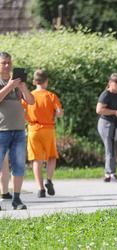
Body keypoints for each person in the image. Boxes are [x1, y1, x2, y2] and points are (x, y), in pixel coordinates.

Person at [0, 51, 35, 209]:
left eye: (9, 63)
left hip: (19, 130)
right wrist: (9, 86)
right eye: (3, 63)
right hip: (2, 130)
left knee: (19, 165)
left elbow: (31, 101)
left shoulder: (16, 82)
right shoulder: (6, 83)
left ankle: (17, 199)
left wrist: (22, 87)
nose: (7, 66)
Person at [22, 69, 63, 198]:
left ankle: (40, 189)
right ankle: (49, 180)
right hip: (48, 129)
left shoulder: (28, 96)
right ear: (47, 81)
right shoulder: (51, 96)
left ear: (34, 81)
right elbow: (59, 113)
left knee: (36, 159)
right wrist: (56, 113)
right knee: (51, 157)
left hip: (33, 129)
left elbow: (22, 113)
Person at [96, 73, 117, 182]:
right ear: (110, 83)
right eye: (116, 85)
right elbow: (99, 110)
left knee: (114, 148)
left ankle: (109, 174)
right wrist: (114, 112)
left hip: (116, 123)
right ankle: (110, 173)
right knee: (110, 148)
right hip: (106, 123)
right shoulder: (106, 95)